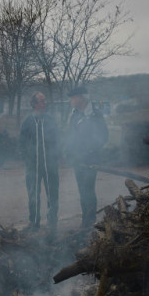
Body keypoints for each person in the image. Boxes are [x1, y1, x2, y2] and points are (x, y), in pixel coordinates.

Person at [64, 86, 108, 230]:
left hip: (90, 160)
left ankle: (90, 221)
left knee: (88, 189)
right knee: (82, 190)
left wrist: (90, 150)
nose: (71, 100)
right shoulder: (74, 114)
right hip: (78, 160)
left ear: (80, 98)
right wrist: (69, 151)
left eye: (73, 98)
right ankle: (86, 220)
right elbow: (71, 135)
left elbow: (103, 136)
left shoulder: (95, 114)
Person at [19, 92, 60, 233]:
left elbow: (57, 140)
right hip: (33, 166)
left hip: (50, 165)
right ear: (34, 104)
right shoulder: (27, 121)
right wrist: (26, 158)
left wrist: (56, 156)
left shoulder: (51, 120)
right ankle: (34, 222)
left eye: (44, 100)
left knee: (52, 193)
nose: (44, 103)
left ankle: (52, 222)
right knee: (33, 194)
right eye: (41, 101)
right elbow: (22, 142)